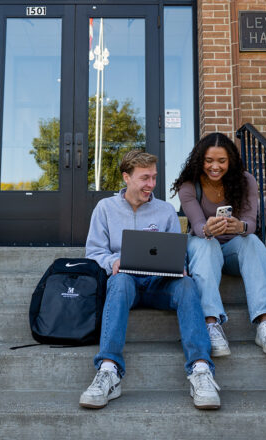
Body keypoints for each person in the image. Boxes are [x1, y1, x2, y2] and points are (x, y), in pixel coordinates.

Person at [79, 149, 220, 410]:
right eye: (145, 178)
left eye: (154, 178)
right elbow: (94, 252)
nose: (151, 185)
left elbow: (175, 250)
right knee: (119, 281)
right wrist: (113, 261)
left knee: (188, 285)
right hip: (126, 283)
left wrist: (180, 266)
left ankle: (200, 370)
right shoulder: (105, 208)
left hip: (159, 284)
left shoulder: (165, 210)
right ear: (126, 177)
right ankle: (109, 370)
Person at [172, 132, 266, 359]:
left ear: (231, 161)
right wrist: (208, 229)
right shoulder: (189, 186)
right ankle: (211, 323)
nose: (215, 166)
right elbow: (196, 225)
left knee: (252, 241)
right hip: (204, 248)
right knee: (207, 244)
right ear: (199, 160)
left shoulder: (246, 181)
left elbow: (251, 224)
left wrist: (239, 227)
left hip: (234, 250)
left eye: (221, 161)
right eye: (209, 160)